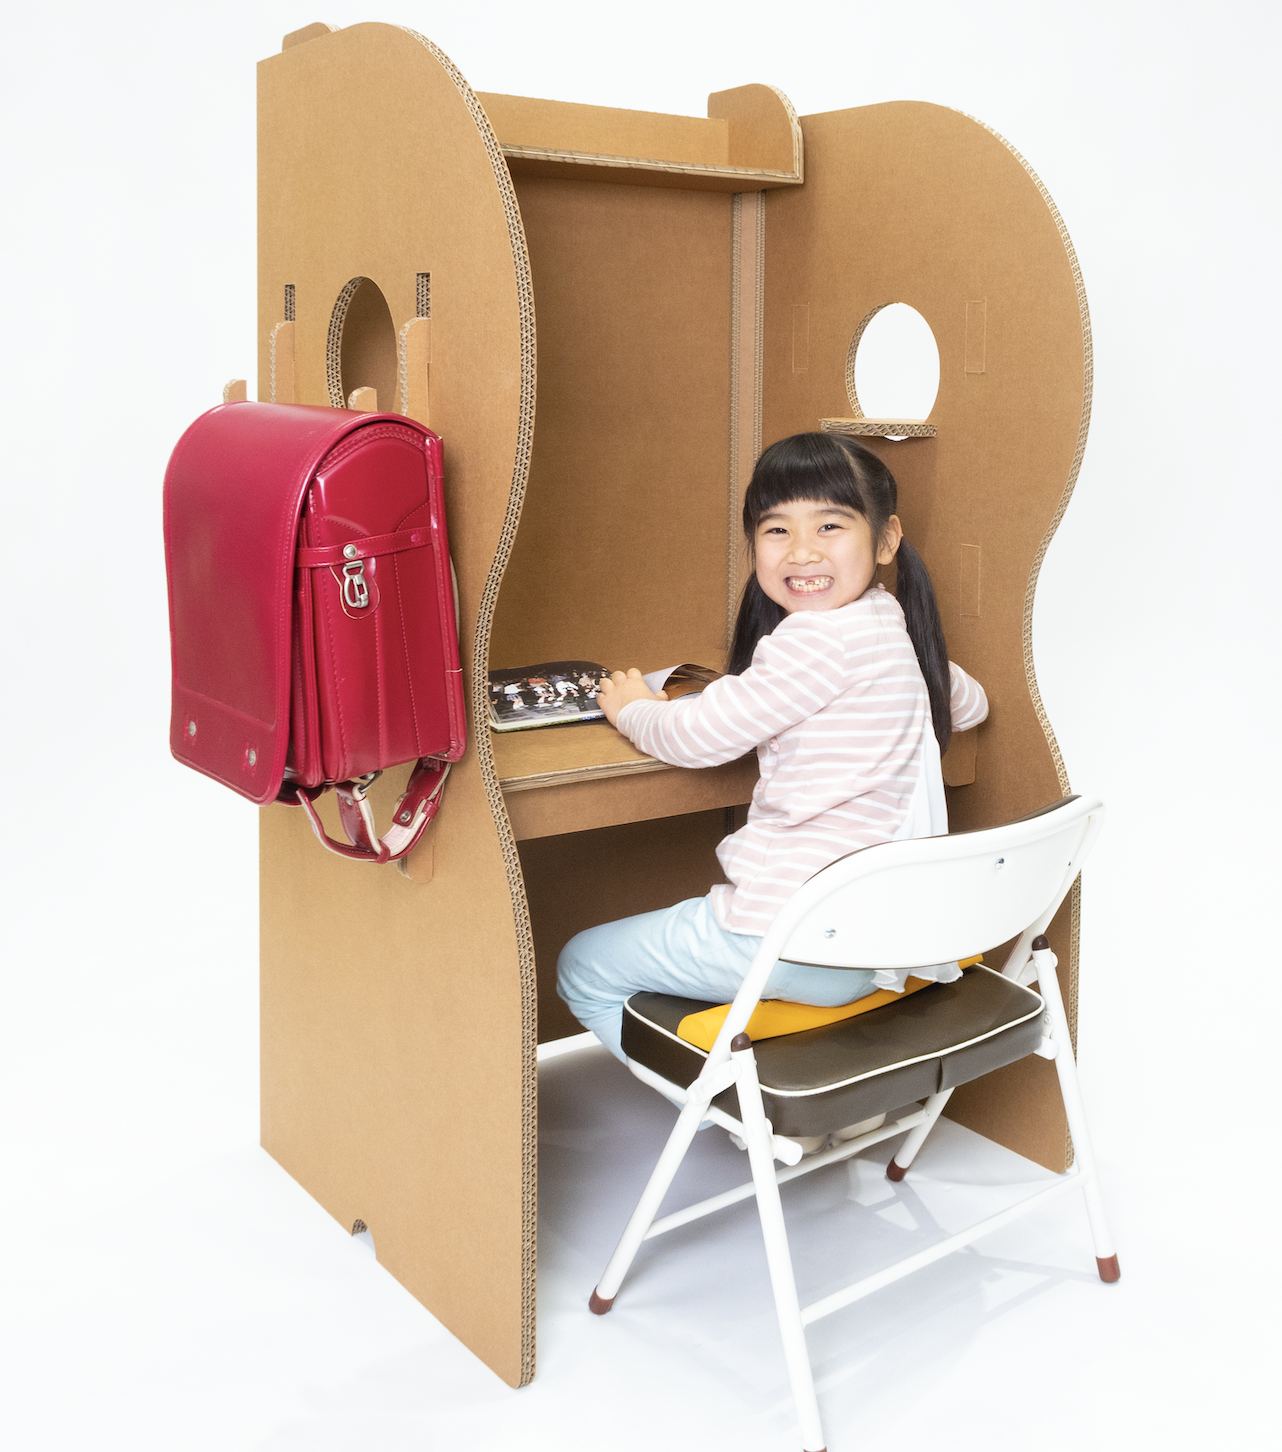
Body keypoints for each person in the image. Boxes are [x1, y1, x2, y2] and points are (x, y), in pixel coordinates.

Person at [557, 432, 988, 1146]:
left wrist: (633, 708)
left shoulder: (813, 640)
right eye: (776, 530)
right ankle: (827, 1102)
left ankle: (750, 1118)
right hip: (879, 944)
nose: (801, 552)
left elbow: (696, 738)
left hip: (791, 939)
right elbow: (967, 704)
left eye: (830, 525)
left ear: (886, 539)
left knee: (582, 967)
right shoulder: (895, 624)